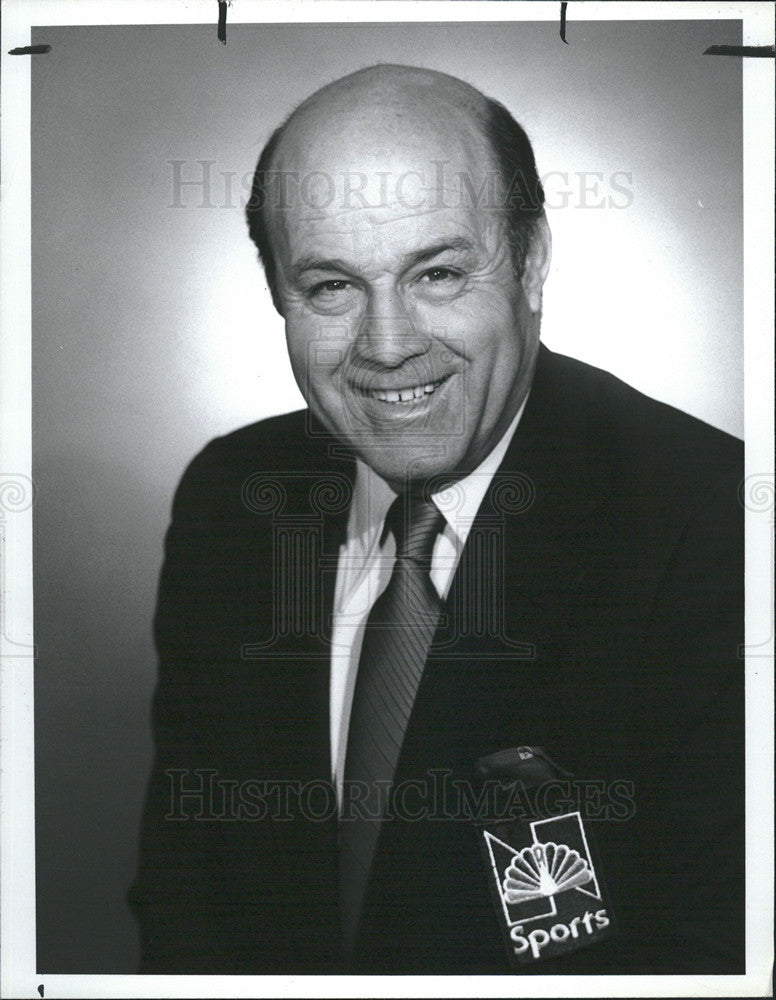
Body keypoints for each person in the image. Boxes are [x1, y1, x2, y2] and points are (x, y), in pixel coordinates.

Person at [129, 64, 744, 975]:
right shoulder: (231, 497)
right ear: (278, 295)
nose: (388, 345)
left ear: (532, 262)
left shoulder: (715, 525)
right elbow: (190, 901)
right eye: (333, 287)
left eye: (440, 271)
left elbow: (720, 954)